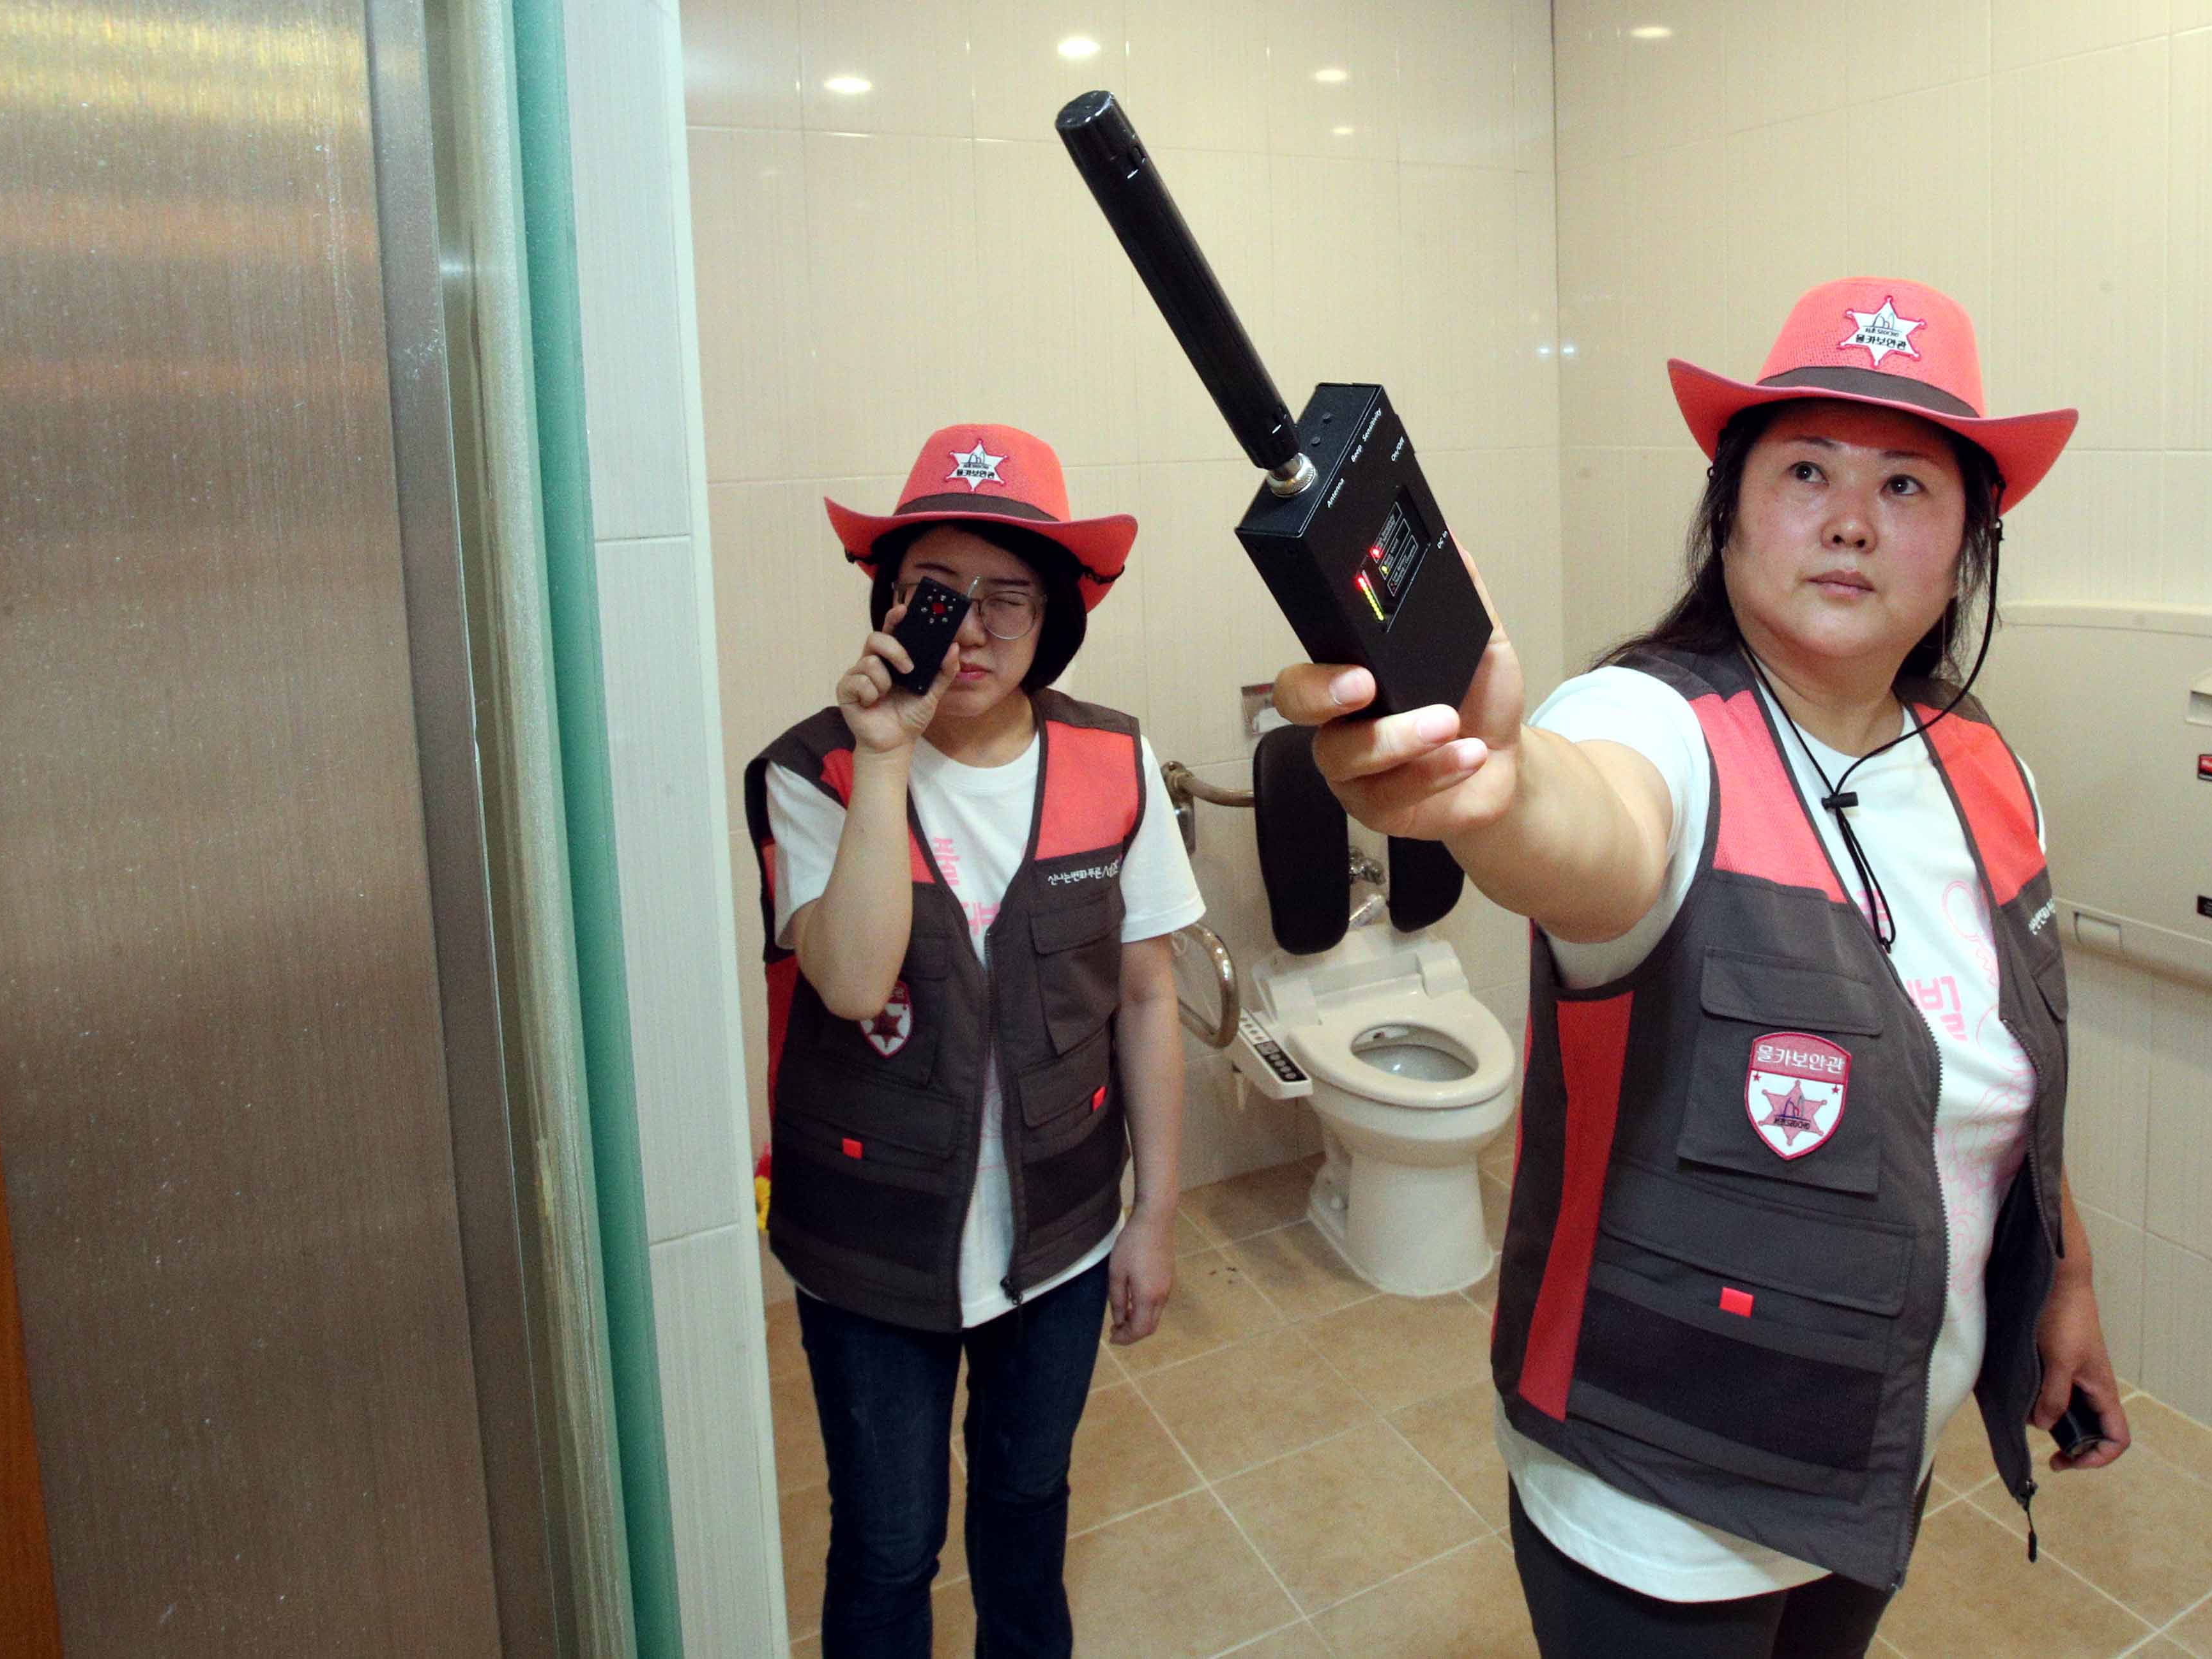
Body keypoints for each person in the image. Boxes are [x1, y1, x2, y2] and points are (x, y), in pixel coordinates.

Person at [1270, 279, 2130, 1657]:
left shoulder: (1989, 770)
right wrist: (1498, 788)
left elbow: (2001, 1070)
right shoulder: (1649, 723)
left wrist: (2066, 1285)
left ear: (1968, 548)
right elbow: (1591, 825)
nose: (1850, 520)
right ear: (1726, 513)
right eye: (1806, 472)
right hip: (1655, 1492)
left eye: (1906, 485)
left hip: (1872, 1458)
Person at [744, 424, 1201, 1657]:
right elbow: (851, 981)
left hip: (1060, 1233)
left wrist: (1154, 1215)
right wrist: (885, 756)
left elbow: (1146, 996)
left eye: (1009, 598)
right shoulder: (811, 770)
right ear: (892, 606)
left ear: (1054, 618)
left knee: (1025, 1505)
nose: (976, 631)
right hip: (872, 1247)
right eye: (939, 595)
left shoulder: (1114, 759)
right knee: (888, 1545)